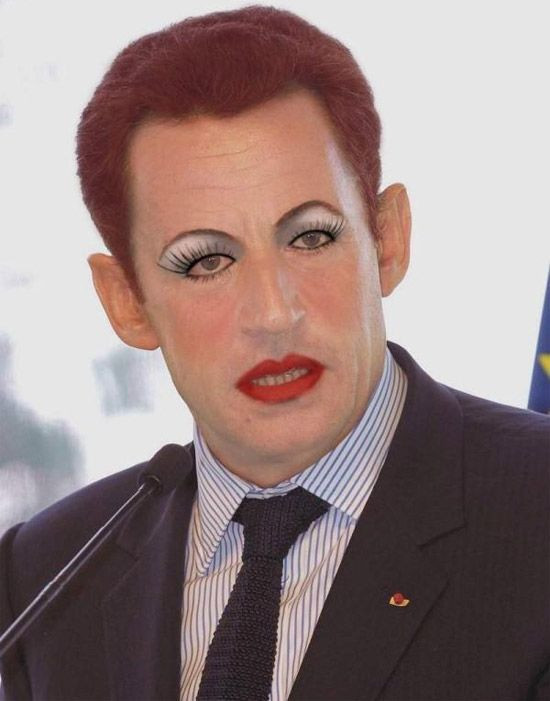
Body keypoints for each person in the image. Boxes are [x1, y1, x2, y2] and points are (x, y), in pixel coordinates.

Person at [0, 6, 548, 700]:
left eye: (311, 237)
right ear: (126, 301)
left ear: (387, 240)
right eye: (206, 261)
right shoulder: (45, 574)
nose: (273, 314)